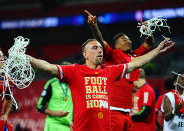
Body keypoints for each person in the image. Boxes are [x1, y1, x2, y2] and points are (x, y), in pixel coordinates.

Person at [28, 38, 173, 131]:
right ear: (85, 54)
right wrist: (28, 58)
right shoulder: (74, 71)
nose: (100, 50)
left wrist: (157, 50)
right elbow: (48, 67)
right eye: (94, 48)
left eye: (100, 48)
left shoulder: (110, 71)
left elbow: (136, 63)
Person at [84, 10, 155, 131]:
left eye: (128, 39)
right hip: (113, 109)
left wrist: (147, 30)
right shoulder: (112, 54)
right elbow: (100, 40)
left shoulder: (135, 55)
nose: (128, 41)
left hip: (128, 112)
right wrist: (94, 26)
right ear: (116, 46)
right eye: (124, 40)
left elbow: (149, 43)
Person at [37, 62, 73, 131]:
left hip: (67, 126)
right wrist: (55, 113)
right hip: (53, 125)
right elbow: (39, 106)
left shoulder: (73, 85)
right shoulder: (51, 84)